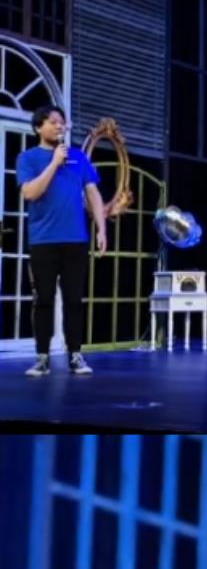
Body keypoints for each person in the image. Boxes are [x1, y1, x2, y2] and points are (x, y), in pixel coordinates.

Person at [17, 104, 106, 377]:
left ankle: (75, 356)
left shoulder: (78, 157)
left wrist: (101, 229)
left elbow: (93, 193)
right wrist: (54, 163)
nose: (59, 126)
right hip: (44, 241)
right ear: (38, 127)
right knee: (43, 299)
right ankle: (42, 358)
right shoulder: (28, 158)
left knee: (74, 300)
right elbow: (30, 193)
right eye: (53, 122)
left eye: (62, 122)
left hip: (76, 240)